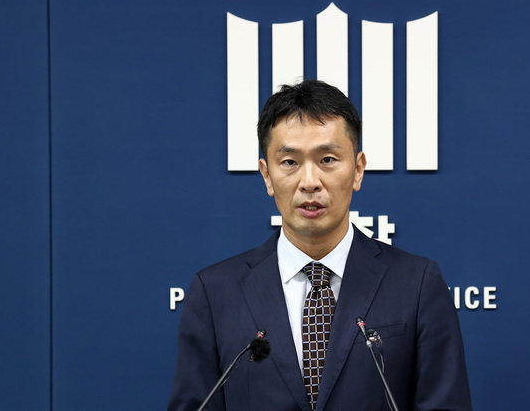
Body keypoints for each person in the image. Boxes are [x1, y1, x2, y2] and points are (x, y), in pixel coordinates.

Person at [168, 80, 472, 411]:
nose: (310, 182)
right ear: (267, 175)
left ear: (357, 170)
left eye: (327, 159)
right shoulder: (215, 293)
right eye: (289, 162)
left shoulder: (417, 284)